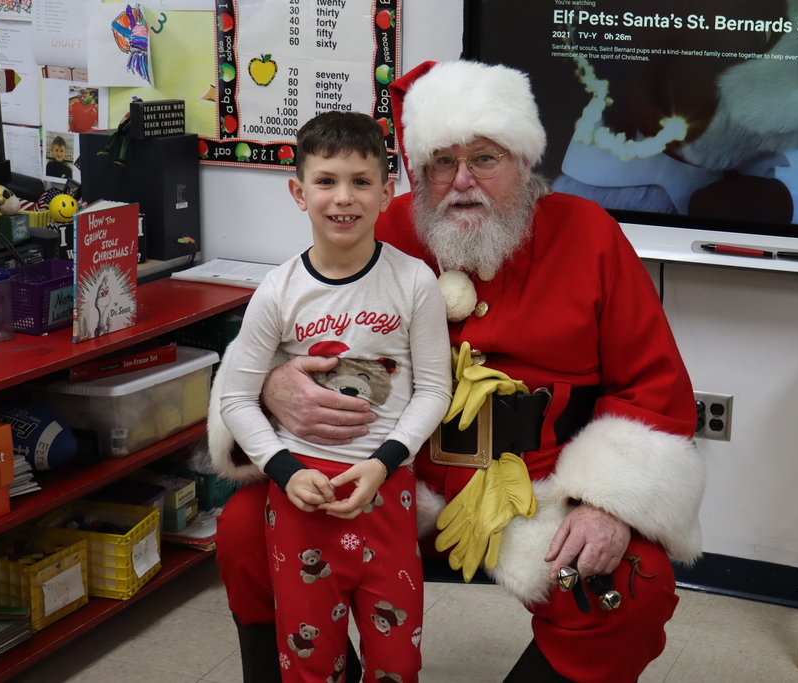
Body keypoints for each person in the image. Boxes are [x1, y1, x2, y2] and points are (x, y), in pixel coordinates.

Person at [211, 60, 706, 683]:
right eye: (443, 162)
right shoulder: (383, 229)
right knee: (244, 529)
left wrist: (607, 502)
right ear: (418, 173)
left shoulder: (590, 236)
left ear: (524, 163)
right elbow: (288, 319)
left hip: (538, 492)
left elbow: (651, 386)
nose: (461, 181)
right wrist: (274, 387)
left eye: (486, 159)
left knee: (634, 581)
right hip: (389, 477)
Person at [215, 111, 452, 683]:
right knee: (310, 662)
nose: (343, 198)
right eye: (326, 181)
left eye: (361, 181)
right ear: (299, 192)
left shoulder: (415, 280)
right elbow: (236, 399)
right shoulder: (278, 291)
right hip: (300, 500)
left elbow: (435, 390)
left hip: (386, 493)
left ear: (387, 190)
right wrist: (285, 471)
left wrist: (383, 463)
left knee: (397, 662)